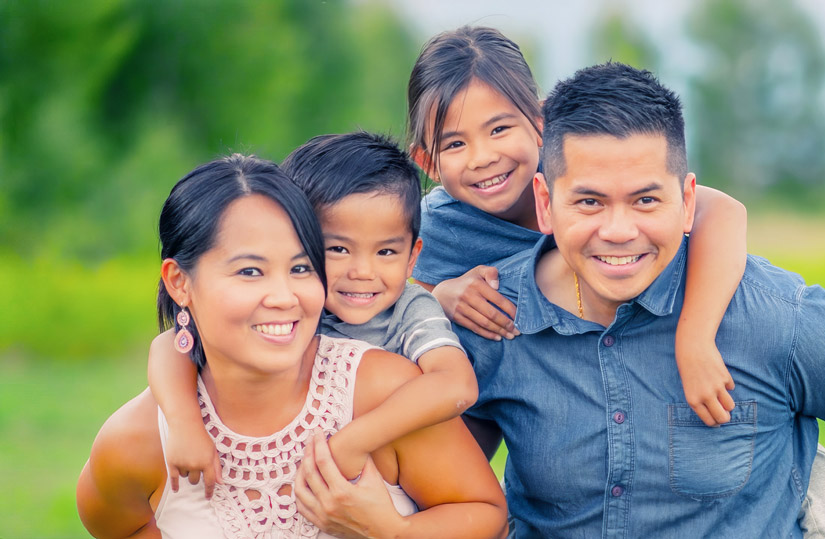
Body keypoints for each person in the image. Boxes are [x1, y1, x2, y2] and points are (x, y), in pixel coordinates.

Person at [450, 63, 825, 537]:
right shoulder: (490, 322)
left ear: (688, 199)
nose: (618, 232)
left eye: (646, 201)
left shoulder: (777, 316)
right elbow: (444, 488)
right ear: (544, 202)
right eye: (589, 202)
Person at [76, 154, 507, 538]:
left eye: (301, 267)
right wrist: (184, 421)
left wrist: (390, 531)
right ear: (179, 282)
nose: (284, 296)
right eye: (249, 272)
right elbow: (116, 525)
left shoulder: (385, 390)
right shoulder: (140, 439)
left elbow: (486, 515)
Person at [406, 26, 745, 428]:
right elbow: (402, 311)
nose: (482, 157)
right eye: (455, 145)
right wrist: (439, 297)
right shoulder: (439, 228)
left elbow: (723, 211)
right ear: (428, 163)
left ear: (541, 123)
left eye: (499, 129)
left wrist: (695, 339)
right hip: (535, 390)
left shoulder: (579, 176)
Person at [147, 132, 479, 496]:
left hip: (394, 483)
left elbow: (456, 384)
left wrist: (355, 441)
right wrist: (184, 424)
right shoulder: (300, 304)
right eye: (337, 248)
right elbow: (173, 344)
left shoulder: (409, 311)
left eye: (385, 252)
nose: (362, 272)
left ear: (413, 256)